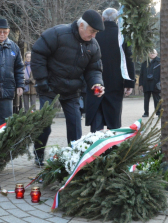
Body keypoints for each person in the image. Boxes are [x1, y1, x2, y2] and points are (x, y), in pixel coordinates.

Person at [31, 9, 105, 166]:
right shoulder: (58, 33)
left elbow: (94, 69)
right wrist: (42, 79)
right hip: (49, 87)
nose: (94, 36)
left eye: (96, 32)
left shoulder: (93, 45)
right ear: (82, 25)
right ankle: (38, 155)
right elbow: (38, 53)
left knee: (75, 125)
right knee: (44, 125)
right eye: (92, 31)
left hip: (72, 91)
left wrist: (97, 82)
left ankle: (75, 157)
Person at [86, 8, 135, 132]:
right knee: (114, 115)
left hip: (96, 80)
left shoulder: (94, 34)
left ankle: (96, 144)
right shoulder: (122, 35)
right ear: (117, 19)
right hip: (116, 82)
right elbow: (128, 59)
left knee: (97, 109)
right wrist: (129, 83)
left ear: (102, 19)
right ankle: (113, 146)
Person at [139, 49, 161, 117]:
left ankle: (158, 112)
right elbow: (141, 74)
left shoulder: (160, 62)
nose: (152, 54)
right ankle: (146, 113)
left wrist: (160, 83)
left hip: (155, 84)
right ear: (148, 54)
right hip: (146, 84)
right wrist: (141, 84)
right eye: (151, 53)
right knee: (146, 99)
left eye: (153, 53)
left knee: (157, 99)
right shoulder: (145, 63)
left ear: (156, 54)